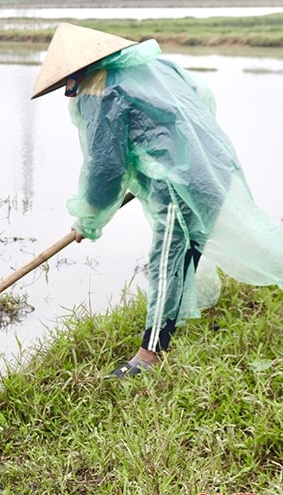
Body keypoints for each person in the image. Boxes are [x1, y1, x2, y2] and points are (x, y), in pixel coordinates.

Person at [30, 23, 283, 378]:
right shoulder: (152, 67)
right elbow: (200, 97)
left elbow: (105, 166)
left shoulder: (101, 88)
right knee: (187, 249)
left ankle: (149, 356)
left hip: (179, 183)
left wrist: (88, 220)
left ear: (75, 72)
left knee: (165, 260)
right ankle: (170, 327)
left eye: (67, 83)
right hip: (213, 167)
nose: (69, 90)